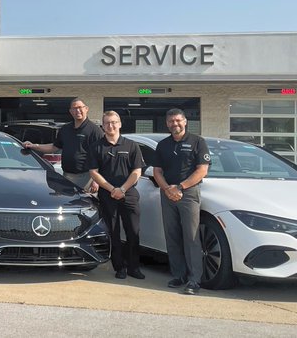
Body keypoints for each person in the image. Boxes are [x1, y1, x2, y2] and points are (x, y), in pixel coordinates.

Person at [153, 108, 211, 295]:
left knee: (191, 237)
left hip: (188, 194)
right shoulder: (163, 145)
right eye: (171, 121)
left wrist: (180, 187)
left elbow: (202, 170)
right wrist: (168, 189)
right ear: (167, 124)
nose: (174, 124)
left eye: (178, 120)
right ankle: (178, 275)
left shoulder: (198, 142)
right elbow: (157, 172)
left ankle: (194, 280)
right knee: (172, 236)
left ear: (185, 121)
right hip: (168, 194)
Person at [87, 110, 146, 280]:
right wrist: (112, 189)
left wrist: (122, 189)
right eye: (107, 123)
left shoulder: (131, 145)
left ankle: (134, 267)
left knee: (133, 231)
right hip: (107, 195)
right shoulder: (97, 147)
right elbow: (93, 172)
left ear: (120, 124)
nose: (110, 126)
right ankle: (119, 267)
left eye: (114, 122)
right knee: (113, 232)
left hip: (129, 194)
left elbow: (137, 171)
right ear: (103, 126)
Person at [24, 97, 104, 191]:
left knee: (81, 203)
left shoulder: (95, 130)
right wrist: (33, 146)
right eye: (74, 108)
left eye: (80, 107)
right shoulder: (65, 129)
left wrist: (96, 180)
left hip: (86, 177)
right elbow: (54, 147)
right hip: (67, 175)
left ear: (86, 109)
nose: (77, 110)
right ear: (70, 111)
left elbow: (101, 156)